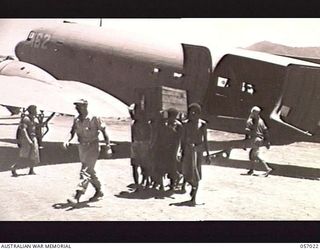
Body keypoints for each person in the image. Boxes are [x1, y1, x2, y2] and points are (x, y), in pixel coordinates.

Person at [64, 99, 111, 203]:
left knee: (85, 171)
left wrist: (108, 146)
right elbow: (72, 131)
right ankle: (99, 191)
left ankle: (77, 196)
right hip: (82, 147)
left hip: (93, 146)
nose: (77, 108)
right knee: (90, 171)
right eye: (76, 106)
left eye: (79, 106)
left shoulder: (94, 118)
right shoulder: (76, 119)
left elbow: (104, 131)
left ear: (85, 106)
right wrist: (67, 140)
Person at [180, 103, 210, 205]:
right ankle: (192, 186)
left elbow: (205, 140)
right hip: (188, 150)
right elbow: (182, 139)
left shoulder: (202, 124)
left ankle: (194, 198)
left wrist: (208, 154)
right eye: (191, 112)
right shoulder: (185, 124)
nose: (193, 114)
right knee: (186, 172)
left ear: (198, 113)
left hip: (198, 151)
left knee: (196, 173)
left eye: (195, 112)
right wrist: (181, 151)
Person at [11, 105, 40, 176]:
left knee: (34, 154)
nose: (36, 111)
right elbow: (24, 130)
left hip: (33, 138)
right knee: (24, 155)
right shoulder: (26, 119)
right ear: (32, 110)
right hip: (27, 139)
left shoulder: (34, 119)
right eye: (35, 110)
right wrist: (29, 141)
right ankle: (14, 167)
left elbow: (37, 126)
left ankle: (31, 170)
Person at [244, 106, 273, 177]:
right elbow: (265, 130)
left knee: (255, 155)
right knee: (252, 155)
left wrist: (245, 141)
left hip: (255, 139)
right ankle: (251, 170)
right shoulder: (261, 121)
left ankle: (267, 168)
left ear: (253, 112)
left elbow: (247, 131)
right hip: (260, 139)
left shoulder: (251, 120)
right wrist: (267, 141)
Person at [129, 103, 152, 187]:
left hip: (144, 144)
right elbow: (132, 136)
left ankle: (144, 181)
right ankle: (137, 183)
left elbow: (149, 136)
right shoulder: (134, 123)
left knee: (143, 165)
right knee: (134, 165)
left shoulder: (146, 124)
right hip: (136, 144)